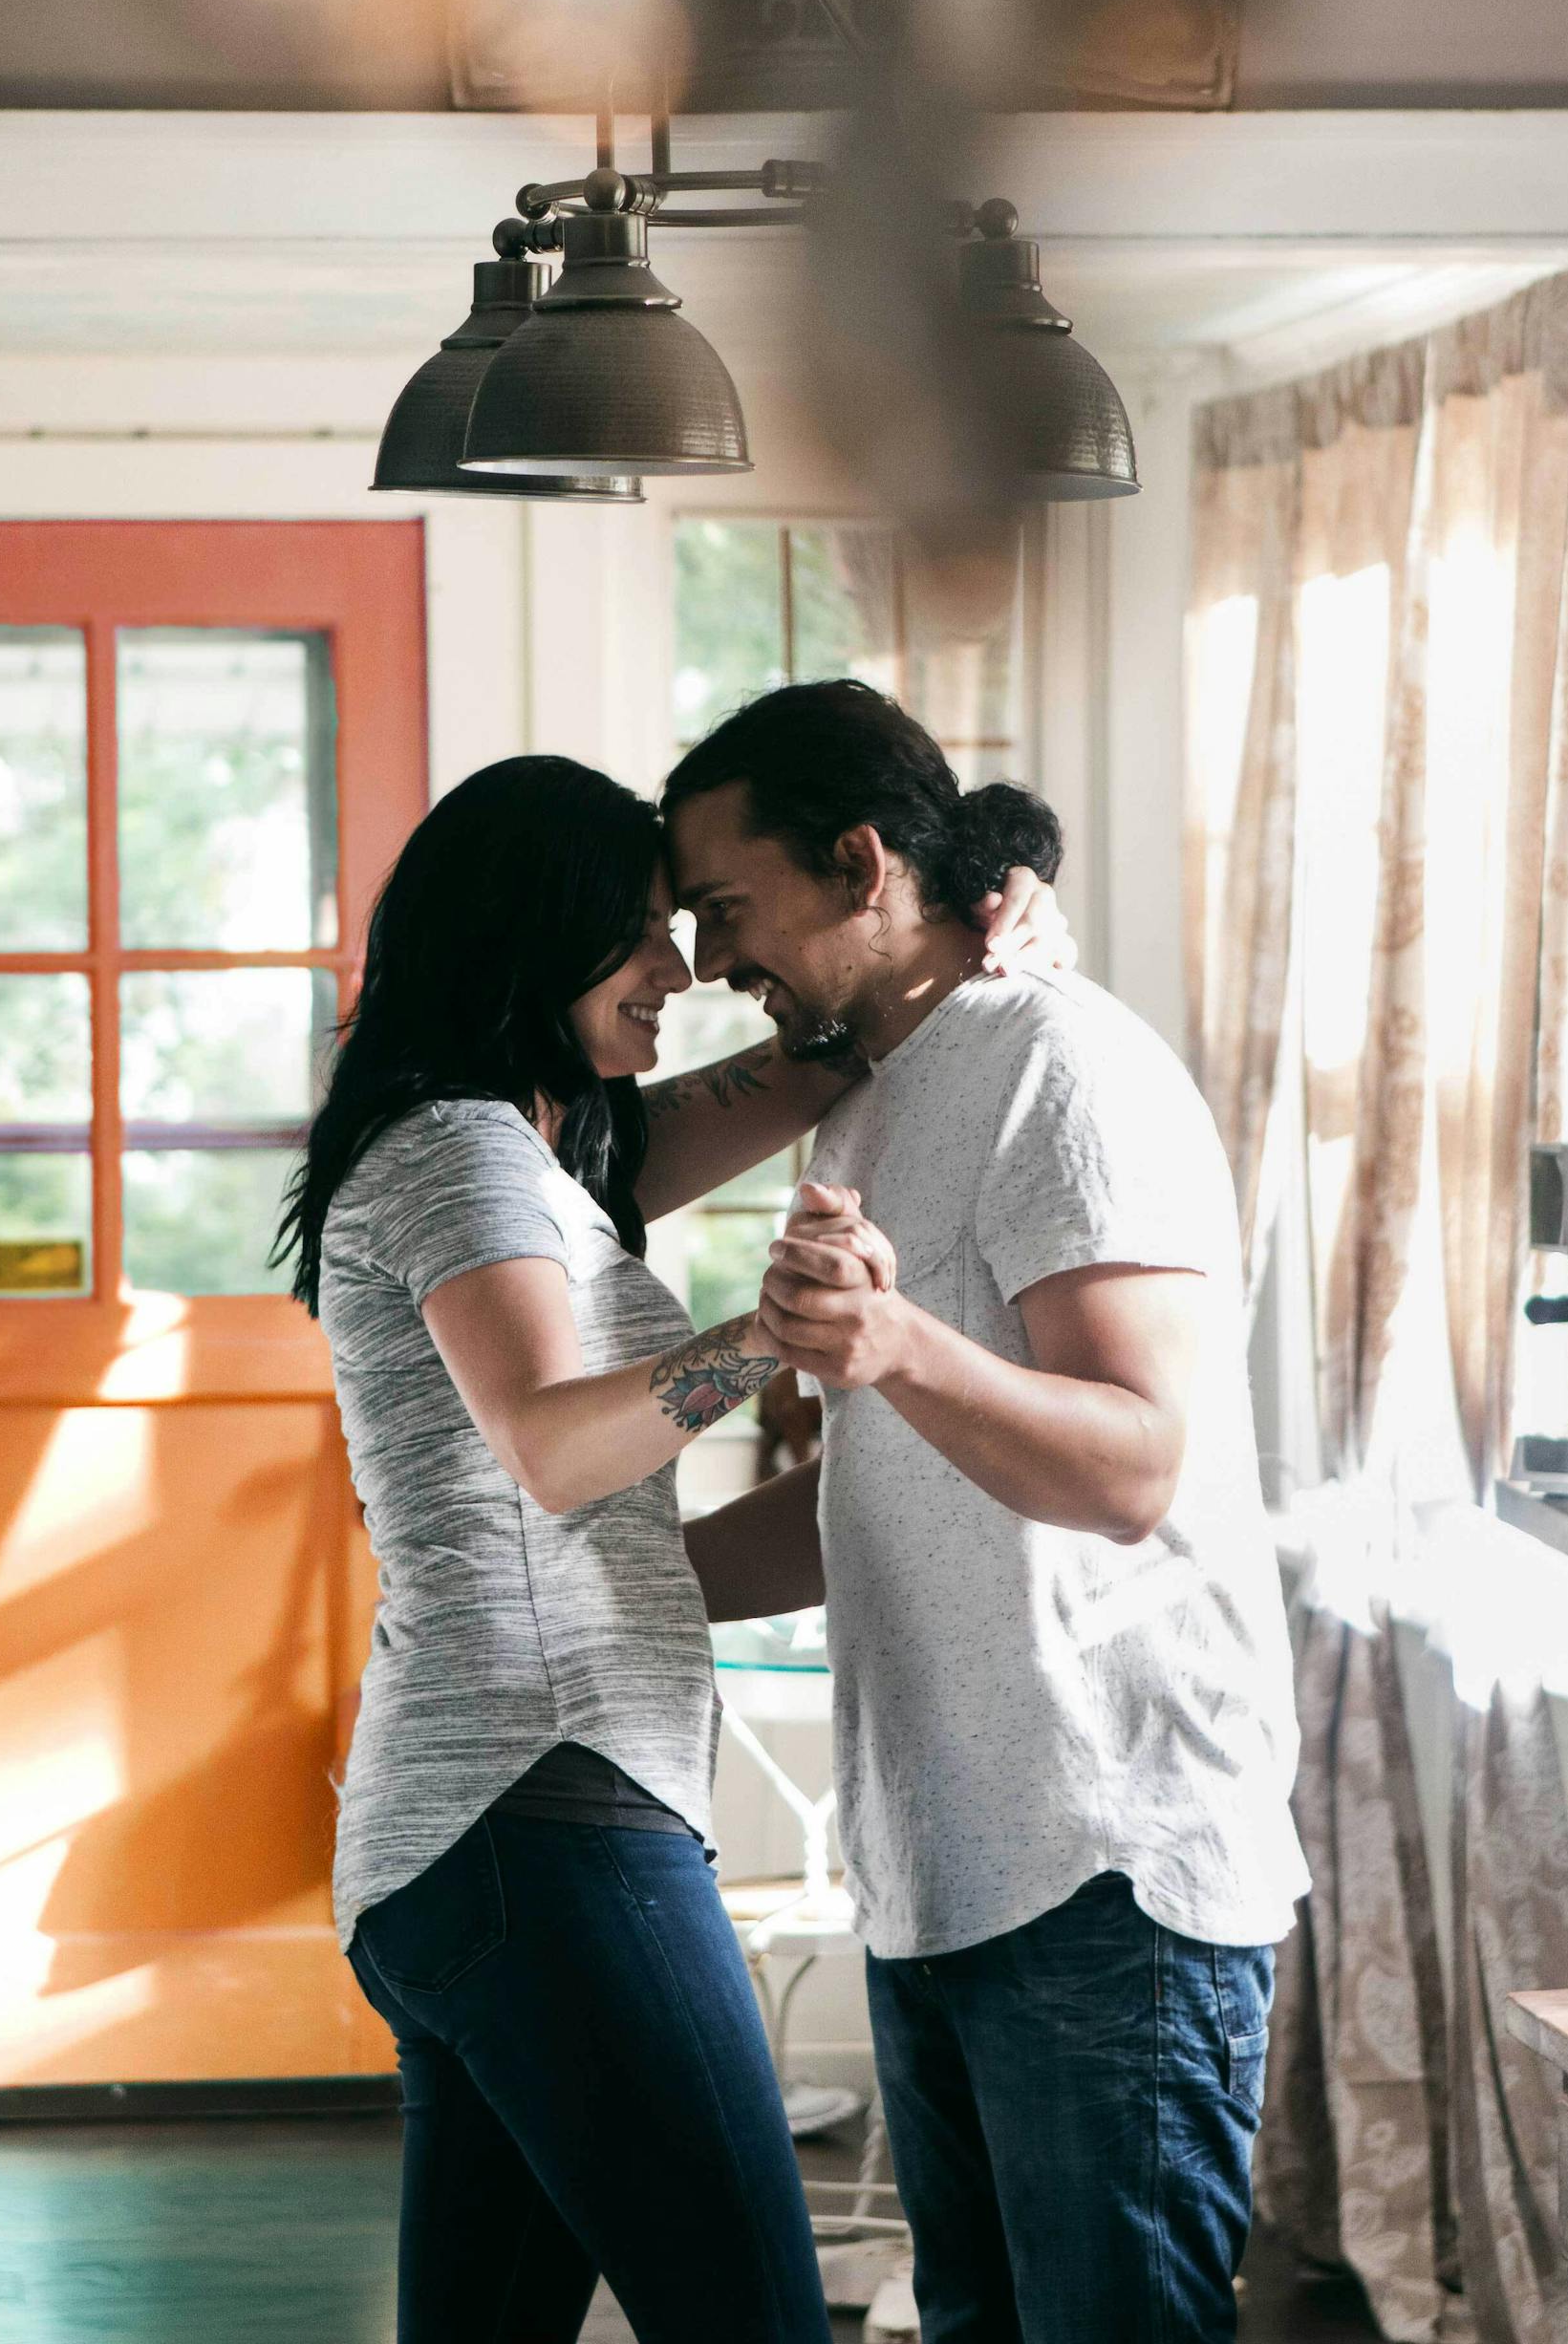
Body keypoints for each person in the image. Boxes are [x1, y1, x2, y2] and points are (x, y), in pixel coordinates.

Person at [278, 751, 1057, 2344]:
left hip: (474, 1838)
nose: (682, 969)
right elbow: (556, 1447)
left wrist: (979, 925)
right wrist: (777, 1333)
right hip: (539, 1813)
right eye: (639, 931)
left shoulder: (558, 1145)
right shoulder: (458, 1151)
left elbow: (829, 1058)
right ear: (528, 936)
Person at [664, 681, 1307, 2344]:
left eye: (730, 909)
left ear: (861, 860)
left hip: (1108, 1864)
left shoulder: (1061, 1068)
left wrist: (896, 1342)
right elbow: (891, 1482)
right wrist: (624, 1587)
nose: (714, 961)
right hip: (947, 1865)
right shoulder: (878, 1088)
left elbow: (1131, 1465)